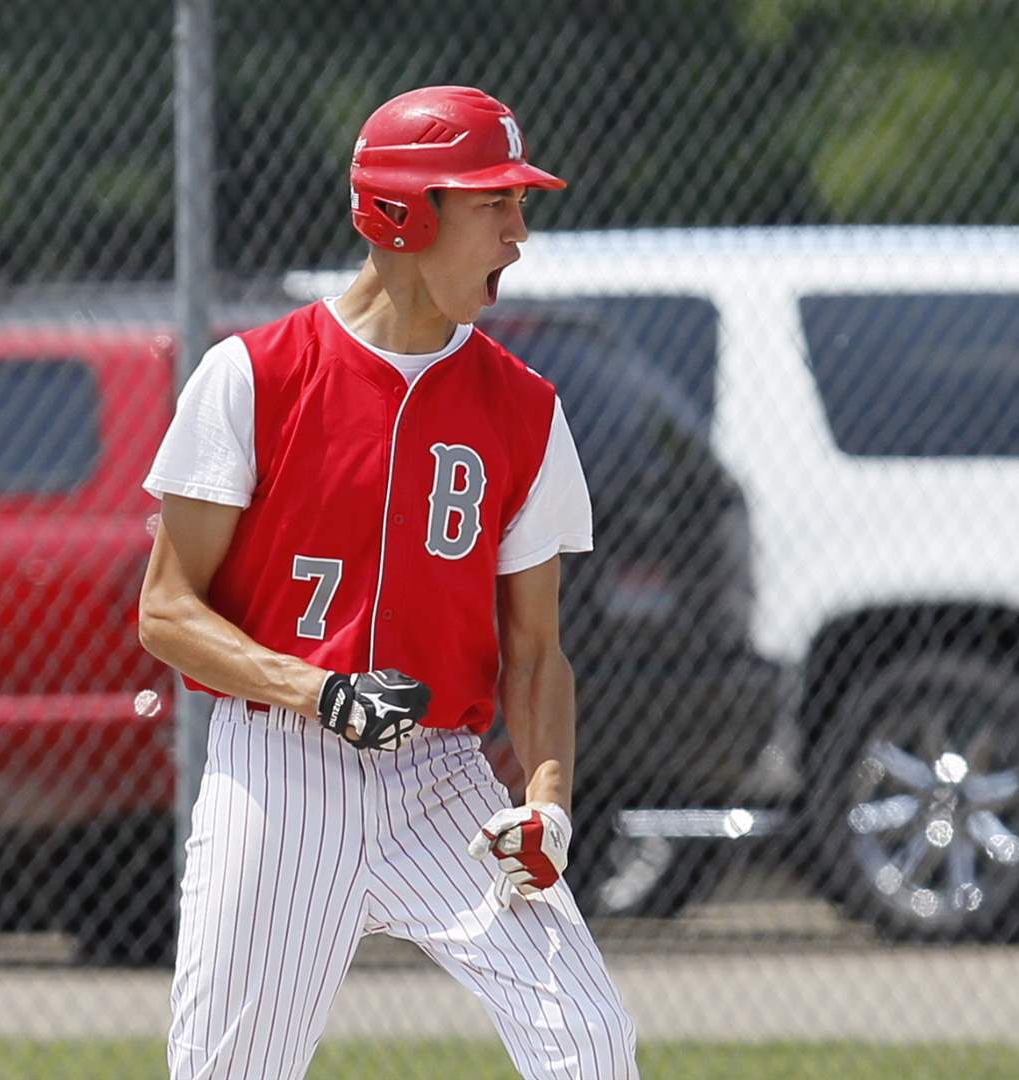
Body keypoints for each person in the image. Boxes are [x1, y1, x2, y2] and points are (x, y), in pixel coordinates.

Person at [139, 84, 639, 1080]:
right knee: (227, 1070)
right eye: (496, 203)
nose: (520, 233)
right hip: (279, 769)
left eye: (519, 204)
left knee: (588, 1040)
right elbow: (166, 610)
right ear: (406, 212)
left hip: (442, 779)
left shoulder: (525, 408)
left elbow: (537, 652)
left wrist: (546, 803)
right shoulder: (253, 375)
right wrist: (314, 689)